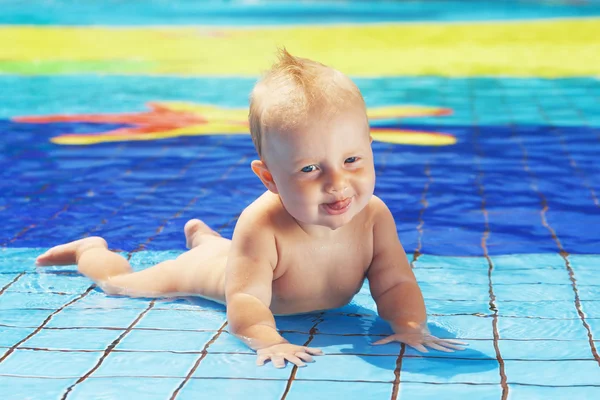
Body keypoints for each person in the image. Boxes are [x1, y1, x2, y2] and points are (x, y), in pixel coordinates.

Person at [36, 49, 465, 368]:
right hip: (211, 275)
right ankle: (89, 250)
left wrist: (409, 325)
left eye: (352, 160)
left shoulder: (374, 215)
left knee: (224, 251)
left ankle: (203, 238)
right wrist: (267, 339)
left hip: (236, 258)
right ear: (270, 179)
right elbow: (244, 297)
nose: (337, 183)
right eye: (310, 168)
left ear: (370, 150)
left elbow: (393, 283)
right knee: (122, 284)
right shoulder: (262, 225)